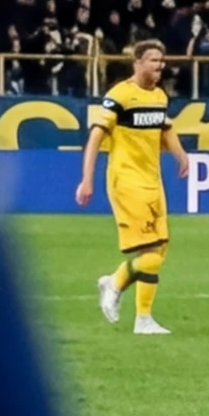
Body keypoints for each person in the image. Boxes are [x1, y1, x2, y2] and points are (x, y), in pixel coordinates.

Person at [80, 37, 178, 337]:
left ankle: (117, 285)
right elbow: (96, 137)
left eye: (161, 61)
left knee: (159, 252)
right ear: (137, 63)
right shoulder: (120, 95)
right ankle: (139, 314)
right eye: (153, 60)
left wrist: (182, 156)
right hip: (127, 181)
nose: (160, 66)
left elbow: (165, 128)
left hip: (153, 182)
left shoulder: (159, 96)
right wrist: (87, 179)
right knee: (151, 254)